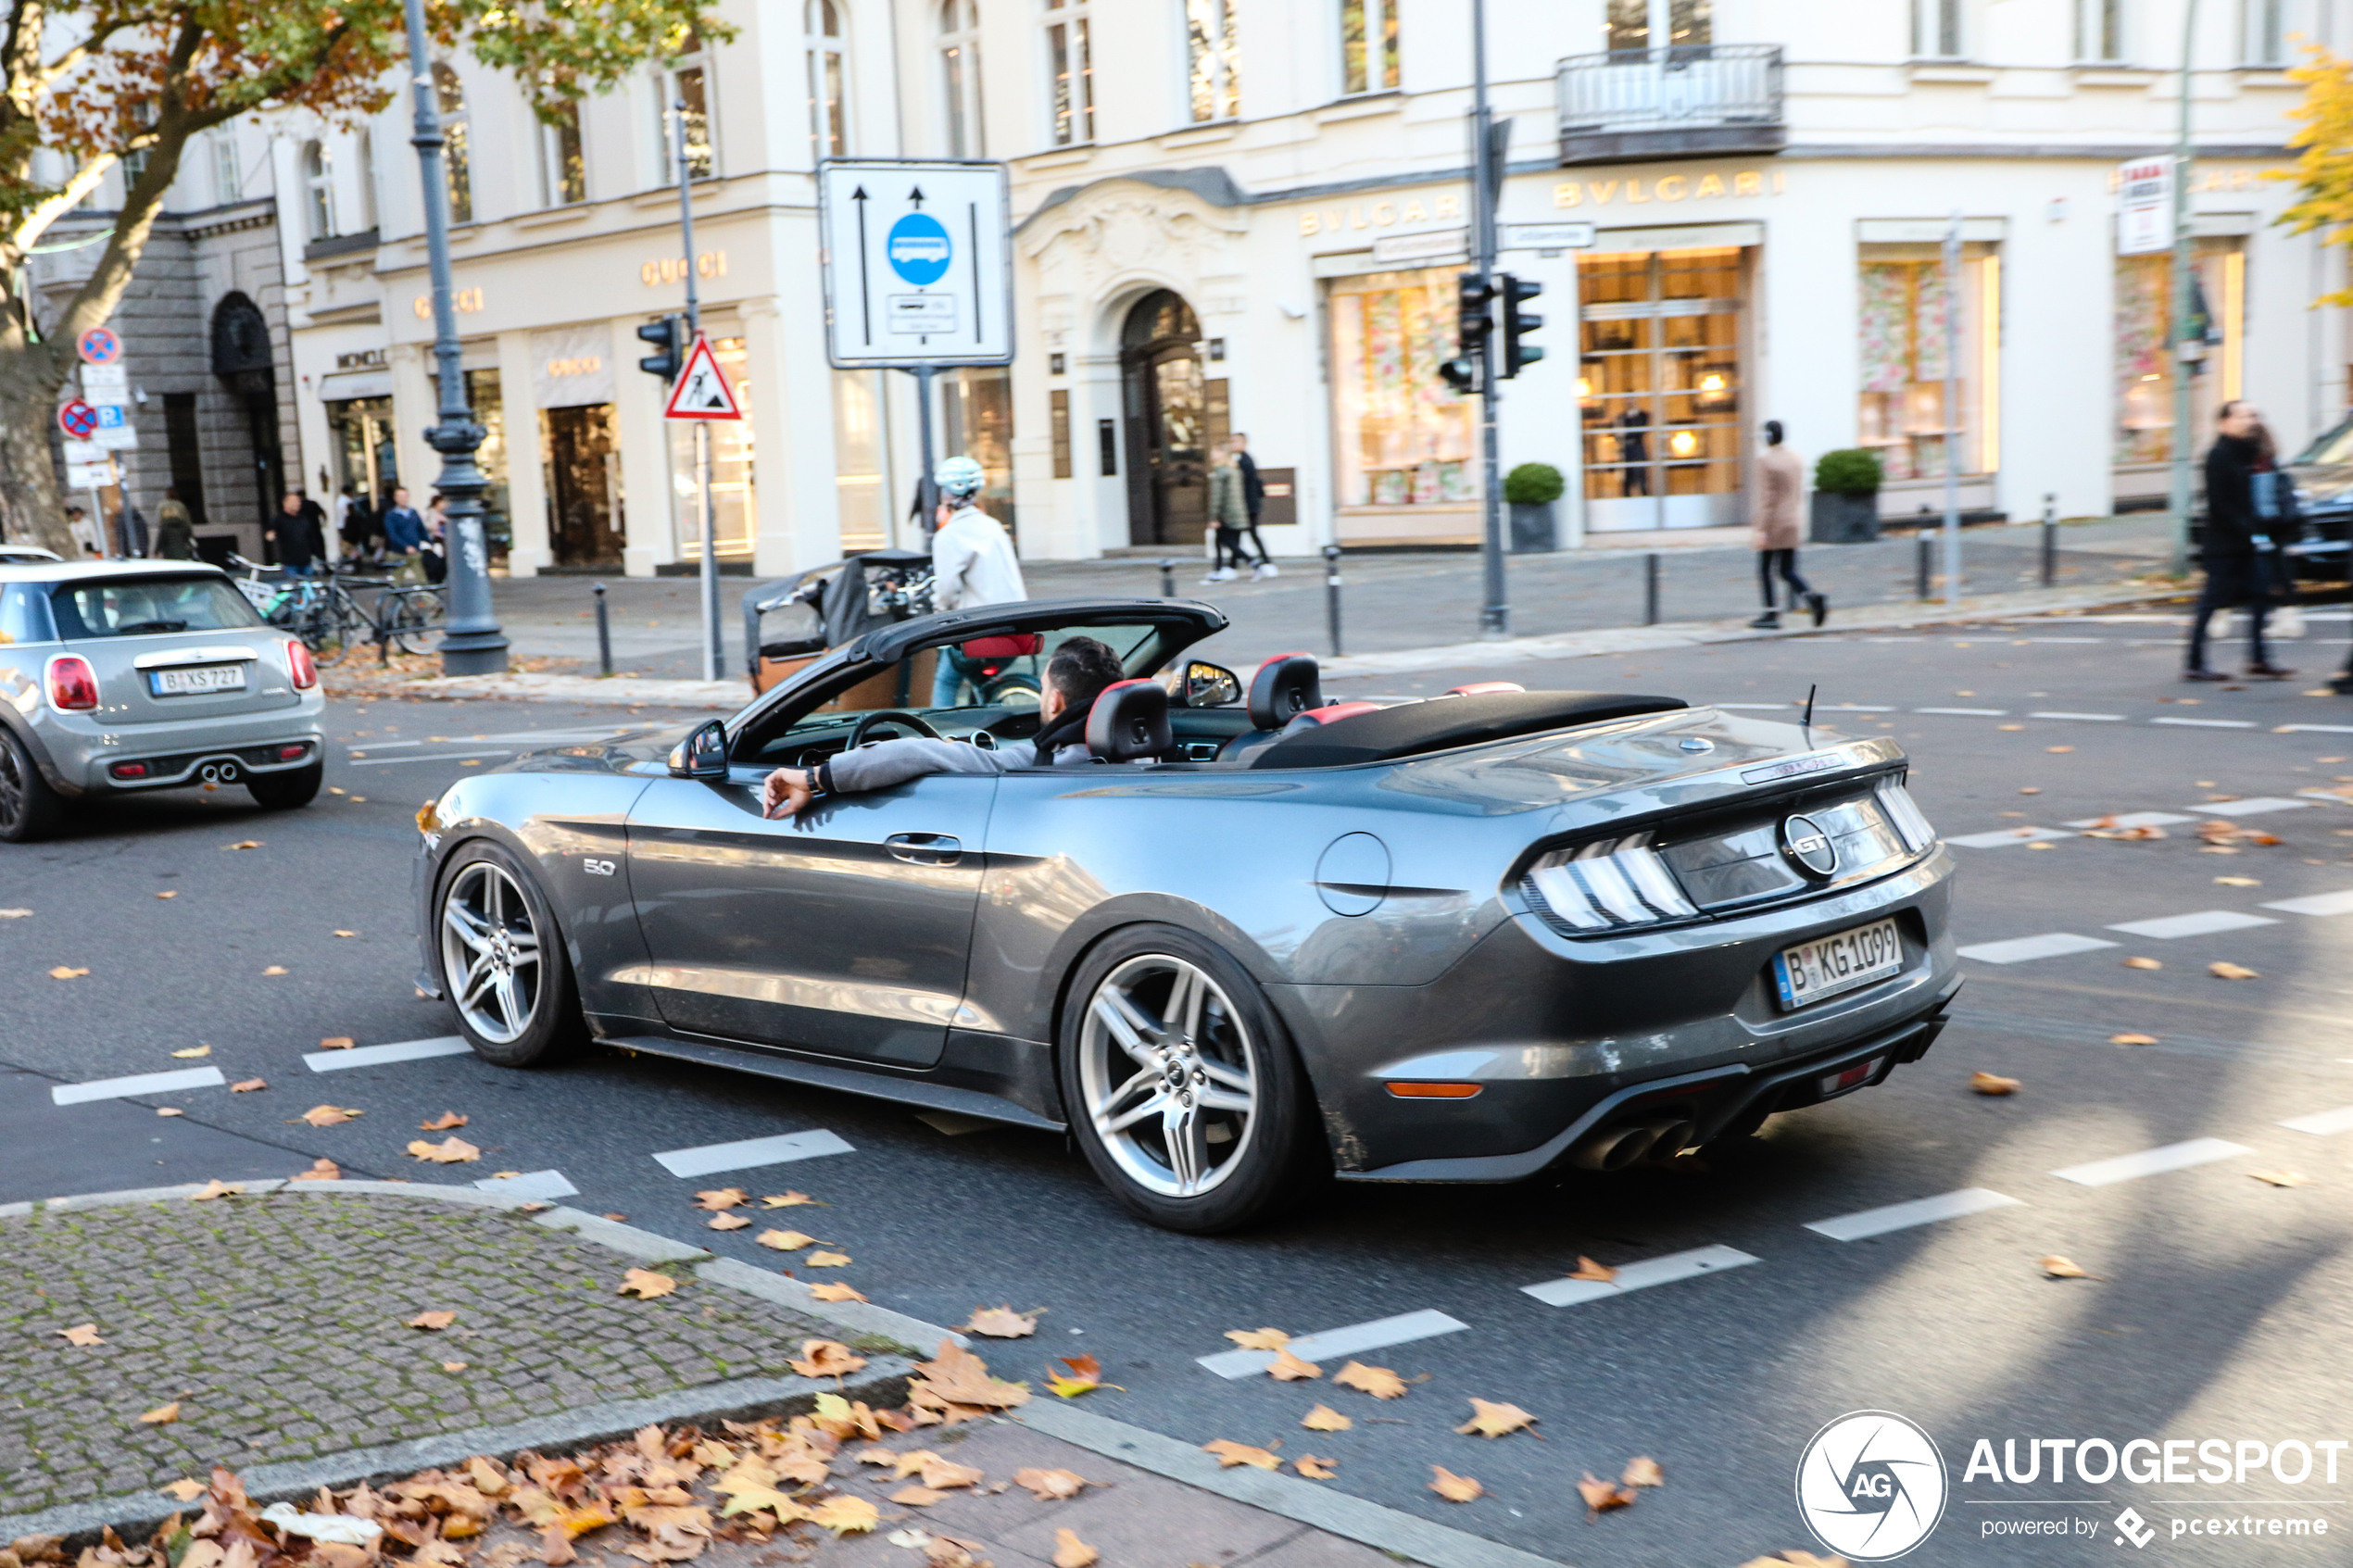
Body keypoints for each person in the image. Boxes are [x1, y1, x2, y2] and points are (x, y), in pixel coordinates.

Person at [763, 635, 1131, 818]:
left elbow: (915, 752)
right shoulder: (1141, 755)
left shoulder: (1043, 762)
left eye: (1044, 690)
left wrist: (813, 778)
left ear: (1053, 702)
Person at [2187, 399, 2295, 682]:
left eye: (2252, 415)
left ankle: (2258, 659)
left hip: (2248, 542)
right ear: (2225, 422)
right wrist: (2247, 529)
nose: (2250, 420)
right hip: (2225, 544)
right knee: (2211, 602)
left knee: (2261, 596)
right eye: (2243, 416)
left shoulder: (2249, 453)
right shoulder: (2218, 455)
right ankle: (2194, 662)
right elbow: (2219, 503)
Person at [926, 455, 1027, 708]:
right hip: (1019, 625)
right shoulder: (993, 526)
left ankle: (941, 736)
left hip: (982, 630)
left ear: (947, 495)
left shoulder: (948, 535)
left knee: (946, 680)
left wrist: (938, 610)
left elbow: (947, 589)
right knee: (976, 675)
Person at [1749, 420, 1825, 630]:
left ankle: (1771, 613)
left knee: (1764, 569)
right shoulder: (1795, 459)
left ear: (1767, 437)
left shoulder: (1765, 461)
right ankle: (1812, 597)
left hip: (1774, 522)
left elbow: (1767, 498)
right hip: (1792, 520)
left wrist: (1761, 529)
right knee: (1787, 570)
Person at [1229, 433, 1277, 580]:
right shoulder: (1243, 460)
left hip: (1248, 506)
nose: (1232, 444)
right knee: (1240, 535)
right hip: (1249, 505)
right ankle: (1233, 566)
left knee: (1246, 535)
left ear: (1244, 443)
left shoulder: (1244, 462)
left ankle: (1265, 563)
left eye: (1235, 441)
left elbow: (1244, 486)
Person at [1203, 438, 1252, 584]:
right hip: (1235, 513)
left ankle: (1253, 562)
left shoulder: (1220, 472)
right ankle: (1223, 569)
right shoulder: (1233, 470)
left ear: (1221, 454)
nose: (1211, 453)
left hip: (1226, 515)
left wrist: (1214, 517)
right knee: (1224, 541)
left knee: (1226, 542)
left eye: (1214, 451)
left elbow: (1217, 498)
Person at [267, 489, 327, 576]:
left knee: (308, 586)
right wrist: (270, 534)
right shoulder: (279, 519)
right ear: (285, 503)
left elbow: (311, 538)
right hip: (290, 563)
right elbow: (270, 530)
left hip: (306, 562)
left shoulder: (304, 519)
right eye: (294, 501)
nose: (297, 504)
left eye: (298, 501)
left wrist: (319, 555)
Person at [381, 485, 428, 585]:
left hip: (415, 551)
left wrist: (430, 542)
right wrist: (405, 546)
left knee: (422, 579)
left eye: (405, 496)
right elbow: (392, 534)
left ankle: (429, 600)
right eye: (400, 496)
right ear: (395, 498)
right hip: (398, 553)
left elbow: (421, 529)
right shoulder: (391, 514)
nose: (403, 499)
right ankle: (395, 600)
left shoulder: (413, 512)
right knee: (397, 581)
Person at [154, 487, 196, 559]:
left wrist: (156, 551)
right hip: (183, 547)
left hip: (169, 549)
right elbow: (188, 524)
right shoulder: (181, 506)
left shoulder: (161, 505)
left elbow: (158, 522)